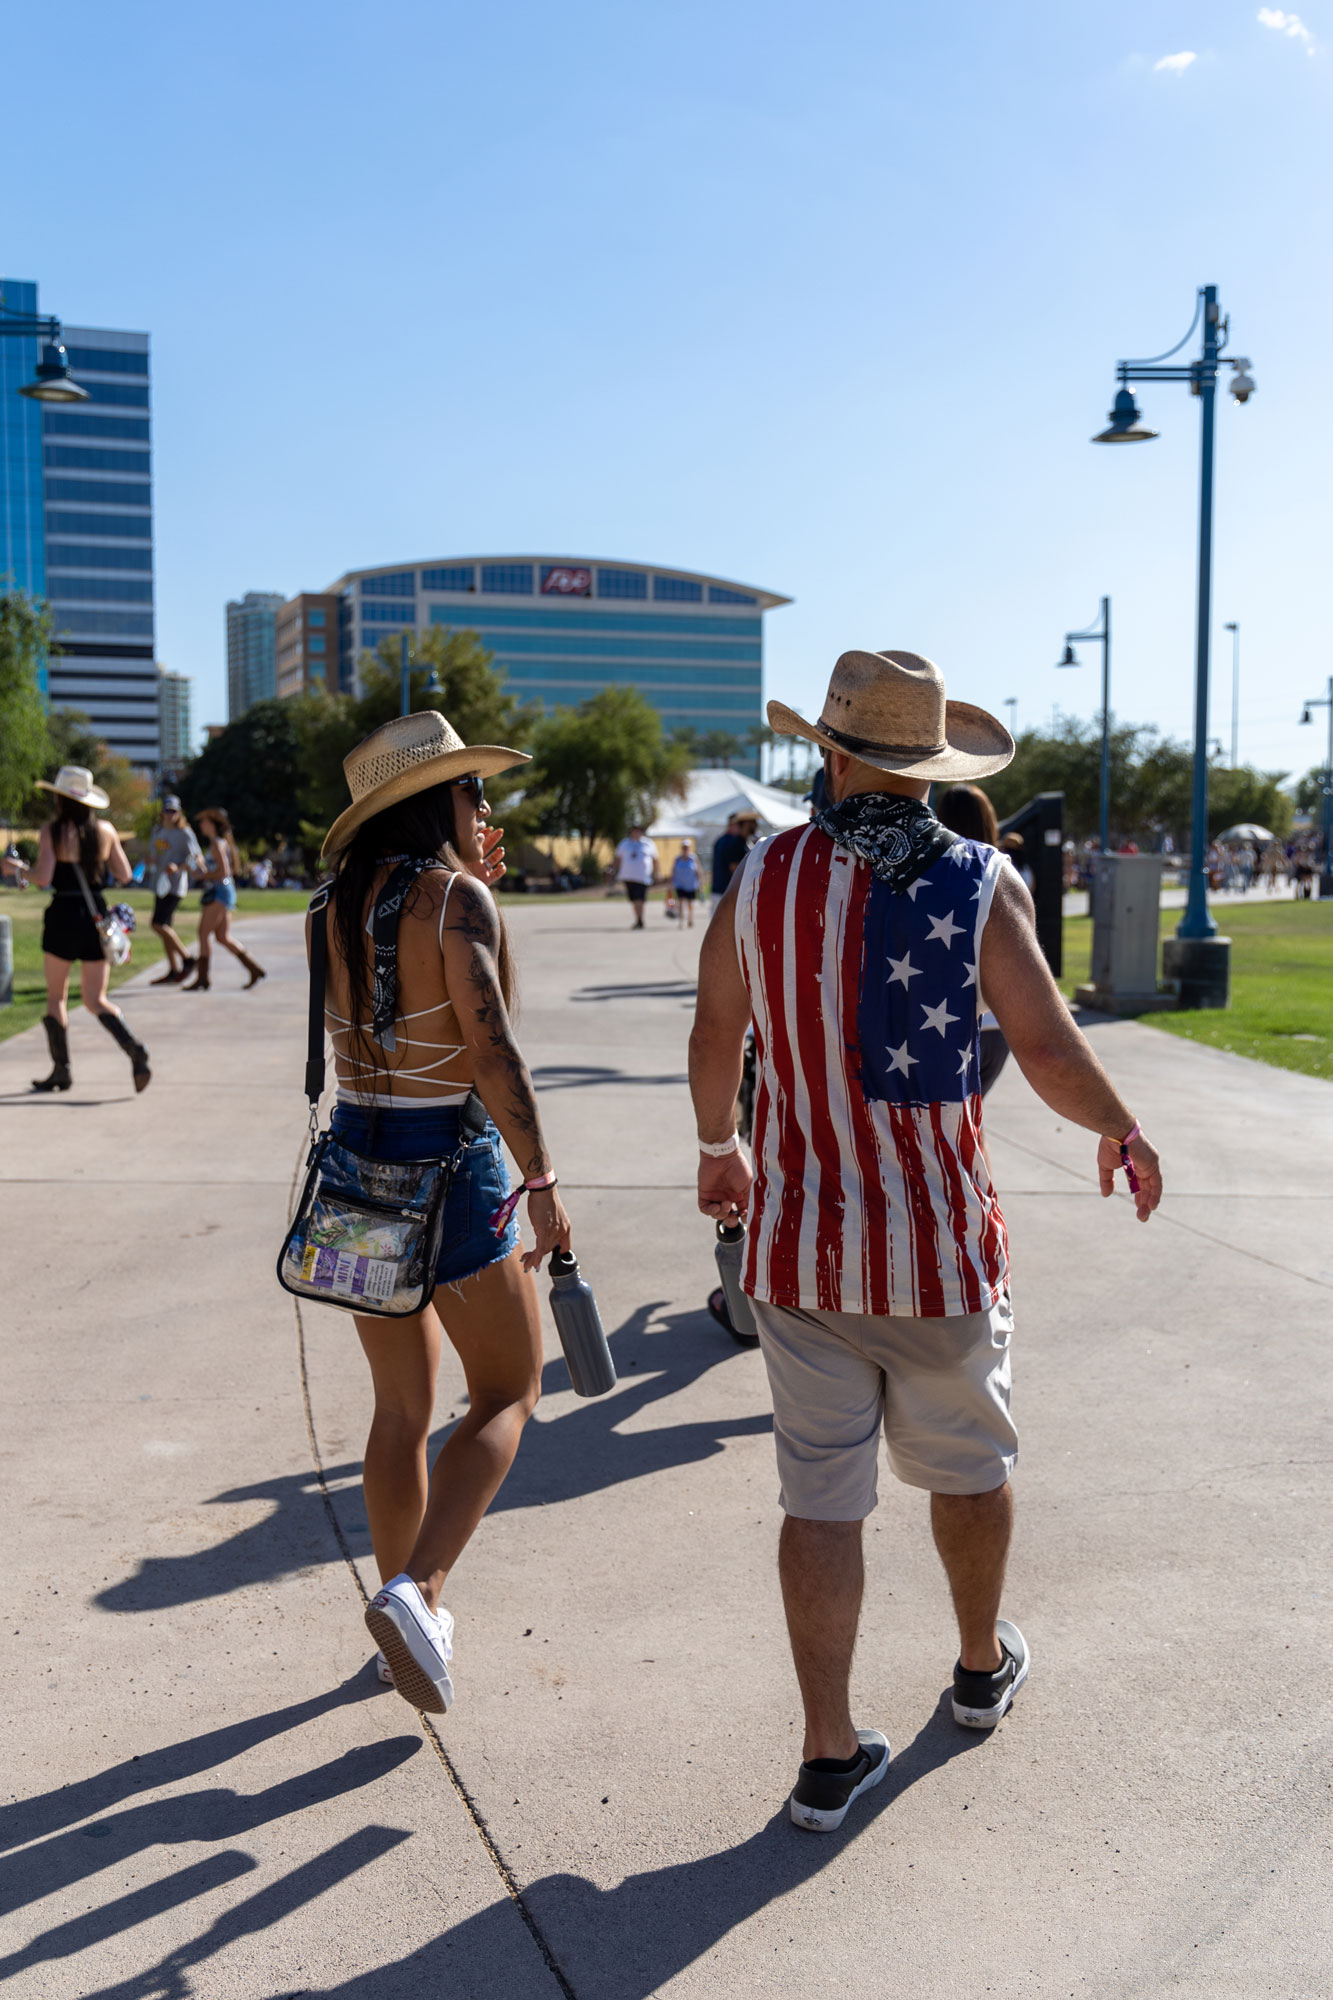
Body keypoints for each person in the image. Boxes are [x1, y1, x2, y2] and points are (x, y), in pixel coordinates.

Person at [689, 649, 1162, 1835]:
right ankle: (972, 1663)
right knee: (970, 1465)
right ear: (928, 764)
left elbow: (714, 1025)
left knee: (821, 1499)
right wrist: (1119, 1127)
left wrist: (716, 1142)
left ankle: (826, 1752)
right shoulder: (980, 876)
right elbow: (1046, 1048)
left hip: (798, 1250)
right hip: (938, 1246)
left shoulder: (760, 874)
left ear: (833, 755)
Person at [315, 709, 573, 1715]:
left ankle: (401, 1634)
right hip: (449, 1167)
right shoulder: (452, 900)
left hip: (353, 1166)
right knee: (510, 1390)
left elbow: (389, 1014)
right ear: (438, 801)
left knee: (399, 1410)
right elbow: (488, 1048)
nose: (485, 806)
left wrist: (480, 896)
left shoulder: (325, 905)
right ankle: (418, 1592)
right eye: (474, 791)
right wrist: (543, 1187)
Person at [28, 764, 151, 1094]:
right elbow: (125, 875)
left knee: (57, 997)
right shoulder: (106, 830)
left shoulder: (52, 831)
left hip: (63, 913)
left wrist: (19, 871)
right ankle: (134, 1049)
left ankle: (61, 1070)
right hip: (96, 915)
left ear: (60, 799)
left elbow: (42, 877)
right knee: (96, 999)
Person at [935, 784, 1010, 1099]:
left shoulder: (931, 880)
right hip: (996, 1029)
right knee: (972, 1128)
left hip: (945, 1023)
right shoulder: (1002, 878)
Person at [183, 808, 265, 991]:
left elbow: (224, 871)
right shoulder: (219, 843)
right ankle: (254, 968)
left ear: (212, 825)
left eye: (204, 821)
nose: (201, 825)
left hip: (219, 891)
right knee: (222, 937)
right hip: (224, 890)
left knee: (203, 933)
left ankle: (202, 978)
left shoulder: (216, 844)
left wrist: (203, 875)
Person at [146, 794, 203, 985]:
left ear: (179, 813)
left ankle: (187, 959)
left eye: (173, 811)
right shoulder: (158, 830)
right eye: (166, 810)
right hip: (160, 884)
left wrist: (177, 867)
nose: (169, 814)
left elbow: (196, 858)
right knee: (165, 928)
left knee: (158, 924)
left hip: (176, 885)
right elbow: (154, 853)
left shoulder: (184, 833)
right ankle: (173, 970)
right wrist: (150, 860)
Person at [614, 823, 658, 929]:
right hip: (628, 876)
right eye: (635, 830)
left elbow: (655, 859)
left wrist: (657, 872)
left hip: (642, 877)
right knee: (634, 899)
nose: (637, 833)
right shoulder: (624, 843)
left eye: (639, 830)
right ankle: (638, 918)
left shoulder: (648, 843)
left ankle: (640, 919)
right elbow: (617, 858)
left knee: (640, 898)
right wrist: (614, 870)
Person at [710, 815, 749, 897]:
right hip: (727, 892)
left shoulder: (720, 840)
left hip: (717, 890)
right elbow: (734, 868)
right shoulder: (732, 841)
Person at [671, 839, 702, 928]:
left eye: (687, 848)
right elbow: (673, 871)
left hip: (691, 885)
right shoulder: (677, 859)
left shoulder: (693, 858)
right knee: (680, 903)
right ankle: (681, 921)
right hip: (680, 884)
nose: (685, 849)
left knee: (690, 903)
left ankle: (690, 919)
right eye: (684, 847)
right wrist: (671, 883)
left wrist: (700, 884)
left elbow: (698, 871)